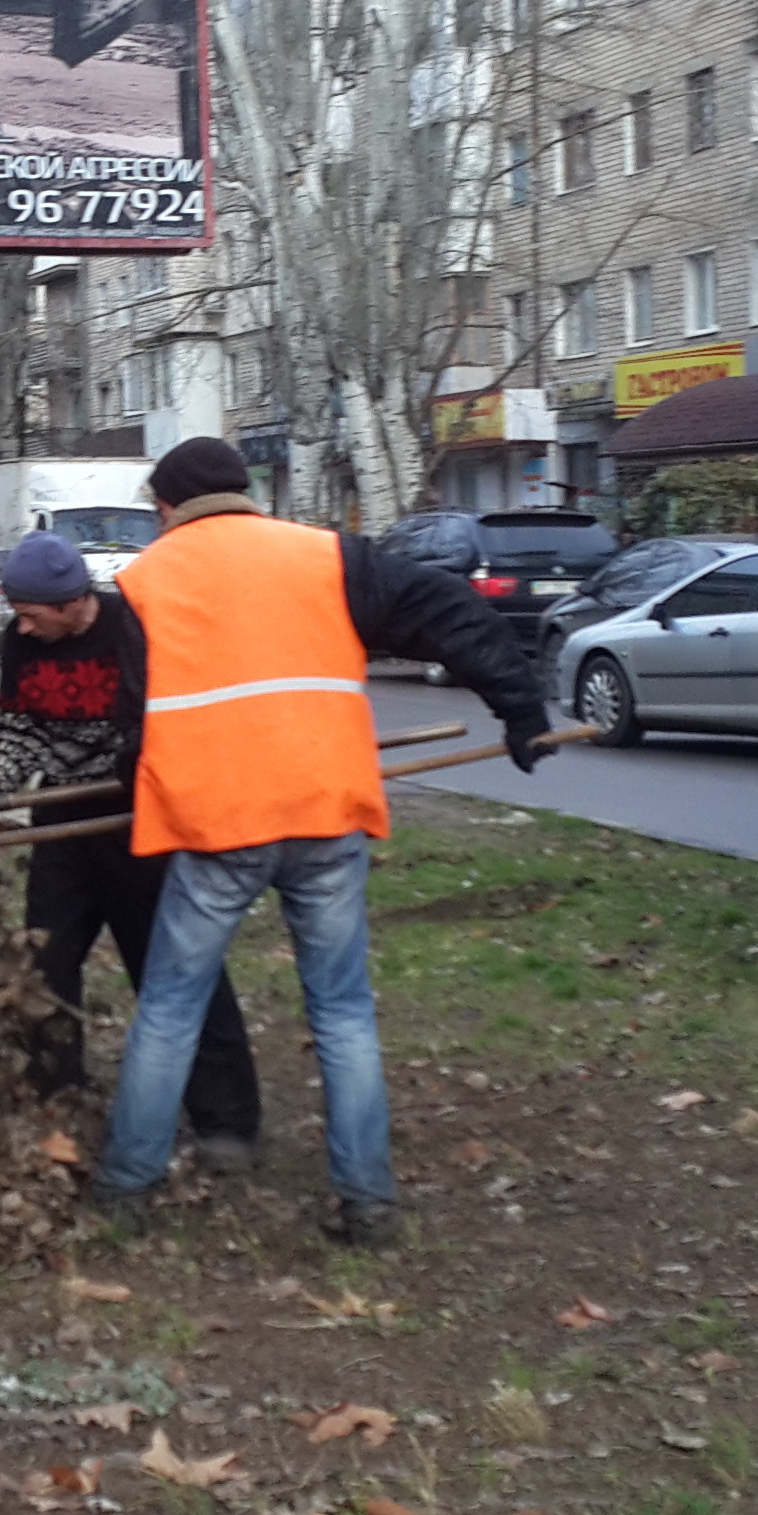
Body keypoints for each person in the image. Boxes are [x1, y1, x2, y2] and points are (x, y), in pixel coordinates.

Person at [96, 438, 551, 1248]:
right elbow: (449, 612)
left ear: (168, 508)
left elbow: (134, 721)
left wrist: (143, 794)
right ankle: (368, 1203)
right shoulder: (328, 556)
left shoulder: (143, 582)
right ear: (244, 494)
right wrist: (520, 706)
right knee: (342, 1013)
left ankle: (125, 1192)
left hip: (218, 825)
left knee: (168, 1009)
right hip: (325, 808)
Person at [0, 532, 262, 1163]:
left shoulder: (133, 630)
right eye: (18, 614)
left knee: (172, 968)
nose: (24, 627)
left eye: (33, 613)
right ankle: (56, 1103)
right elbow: (21, 728)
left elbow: (165, 722)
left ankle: (227, 1121)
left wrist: (138, 771)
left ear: (71, 602)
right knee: (46, 966)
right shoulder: (22, 644)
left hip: (138, 824)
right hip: (63, 823)